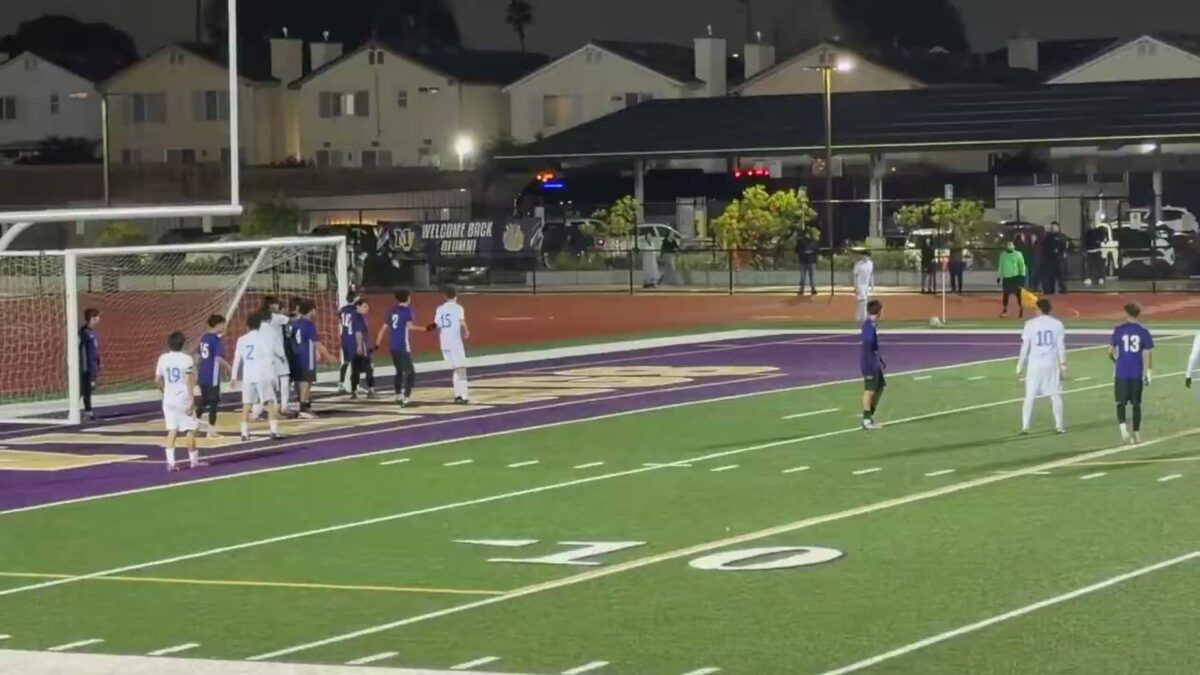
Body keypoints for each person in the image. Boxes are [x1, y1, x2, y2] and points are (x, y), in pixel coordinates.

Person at [230, 313, 284, 442]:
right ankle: (274, 431)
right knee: (270, 403)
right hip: (262, 374)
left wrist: (233, 376)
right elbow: (268, 359)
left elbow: (237, 359)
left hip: (248, 375)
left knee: (246, 405)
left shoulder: (242, 339)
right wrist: (273, 377)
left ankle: (244, 433)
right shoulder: (263, 339)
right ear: (259, 325)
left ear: (247, 326)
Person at [1016, 298, 1066, 434]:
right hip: (1051, 363)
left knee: (1030, 395)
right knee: (1055, 395)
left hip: (1034, 364)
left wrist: (1019, 365)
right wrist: (1063, 366)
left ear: (1038, 309)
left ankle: (1025, 426)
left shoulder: (1030, 324)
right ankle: (1059, 425)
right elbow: (1060, 347)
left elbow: (1025, 347)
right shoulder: (1057, 324)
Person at [155, 331, 202, 472]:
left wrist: (164, 391)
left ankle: (171, 462)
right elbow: (189, 380)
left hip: (169, 398)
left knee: (172, 430)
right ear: (183, 344)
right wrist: (192, 399)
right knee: (190, 429)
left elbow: (157, 380)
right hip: (183, 397)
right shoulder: (186, 359)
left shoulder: (163, 358)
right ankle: (194, 461)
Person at [1110, 303, 1153, 444]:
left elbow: (1111, 351)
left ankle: (1123, 430)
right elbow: (1147, 353)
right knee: (1136, 405)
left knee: (1120, 403)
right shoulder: (1143, 332)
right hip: (1136, 373)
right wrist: (1149, 372)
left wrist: (1115, 361)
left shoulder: (1119, 330)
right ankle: (1136, 432)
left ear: (1126, 313)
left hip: (1121, 372)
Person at [375, 289, 422, 406]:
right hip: (402, 345)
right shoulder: (407, 311)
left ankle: (398, 395)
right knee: (410, 372)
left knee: (399, 371)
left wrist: (377, 343)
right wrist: (426, 328)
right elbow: (410, 327)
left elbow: (383, 328)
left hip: (393, 345)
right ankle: (406, 398)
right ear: (408, 298)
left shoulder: (391, 311)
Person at [292, 299, 333, 418]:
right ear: (312, 310)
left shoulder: (295, 323)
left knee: (300, 382)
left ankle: (302, 405)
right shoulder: (308, 324)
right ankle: (304, 408)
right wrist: (327, 355)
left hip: (296, 356)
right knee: (306, 382)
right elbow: (316, 342)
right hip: (306, 356)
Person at [432, 286, 470, 404]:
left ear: (445, 296)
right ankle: (464, 396)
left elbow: (435, 325)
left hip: (444, 343)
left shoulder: (440, 309)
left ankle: (457, 395)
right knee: (461, 369)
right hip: (455, 342)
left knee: (455, 369)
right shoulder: (458, 308)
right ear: (456, 296)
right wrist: (467, 330)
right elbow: (462, 322)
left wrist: (425, 328)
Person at [195, 314, 228, 439]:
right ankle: (211, 430)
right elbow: (218, 358)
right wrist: (229, 367)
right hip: (212, 376)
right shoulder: (216, 340)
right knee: (213, 403)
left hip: (203, 373)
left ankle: (195, 425)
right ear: (218, 325)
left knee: (204, 400)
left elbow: (199, 356)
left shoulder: (204, 338)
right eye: (223, 324)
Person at [260, 296, 293, 416]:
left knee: (269, 381)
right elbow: (291, 320)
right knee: (284, 378)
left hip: (263, 353)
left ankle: (264, 407)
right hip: (277, 352)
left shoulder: (259, 318)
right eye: (277, 305)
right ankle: (284, 406)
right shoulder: (276, 317)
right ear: (271, 306)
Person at [860, 300, 886, 430]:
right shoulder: (868, 326)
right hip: (869, 364)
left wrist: (880, 359)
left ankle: (870, 414)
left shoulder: (871, 325)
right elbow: (868, 342)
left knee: (880, 385)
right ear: (879, 311)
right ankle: (866, 419)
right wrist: (871, 359)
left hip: (874, 362)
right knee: (869, 390)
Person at [349, 298, 375, 399]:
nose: (367, 308)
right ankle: (371, 390)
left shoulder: (353, 316)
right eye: (364, 306)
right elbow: (358, 333)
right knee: (368, 369)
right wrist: (360, 346)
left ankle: (354, 391)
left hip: (352, 346)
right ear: (358, 307)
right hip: (361, 347)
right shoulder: (358, 318)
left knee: (355, 370)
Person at [78, 308, 102, 421]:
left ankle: (87, 411)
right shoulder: (83, 332)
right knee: (84, 389)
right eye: (97, 316)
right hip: (85, 366)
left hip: (93, 365)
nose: (99, 319)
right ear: (92, 318)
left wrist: (99, 362)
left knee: (89, 389)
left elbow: (95, 350)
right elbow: (82, 350)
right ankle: (84, 411)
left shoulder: (94, 333)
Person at [998, 240, 1028, 318]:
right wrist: (999, 276)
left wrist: (1022, 276)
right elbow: (1000, 266)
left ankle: (1021, 310)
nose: (1009, 245)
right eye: (1008, 244)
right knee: (1005, 294)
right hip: (1006, 278)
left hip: (1016, 277)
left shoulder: (1018, 254)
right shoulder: (1003, 255)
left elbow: (1022, 266)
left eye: (1011, 244)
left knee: (1019, 294)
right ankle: (1005, 310)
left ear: (1014, 246)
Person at [337, 291, 358, 394]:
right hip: (352, 338)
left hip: (344, 337)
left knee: (346, 362)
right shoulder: (355, 311)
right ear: (355, 299)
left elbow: (340, 318)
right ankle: (354, 387)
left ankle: (341, 383)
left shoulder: (342, 310)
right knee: (355, 363)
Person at [1041, 222, 1068, 294]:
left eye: (1055, 227)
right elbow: (1044, 245)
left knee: (1060, 275)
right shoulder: (1048, 236)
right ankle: (1050, 290)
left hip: (1059, 259)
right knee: (1050, 276)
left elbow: (1065, 245)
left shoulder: (1061, 237)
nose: (1053, 229)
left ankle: (1063, 289)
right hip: (1049, 259)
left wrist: (1062, 252)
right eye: (1052, 227)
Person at [852, 249, 874, 322]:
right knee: (863, 300)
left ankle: (858, 316)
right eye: (863, 256)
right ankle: (864, 317)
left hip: (866, 285)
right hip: (860, 284)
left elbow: (871, 274)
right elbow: (855, 275)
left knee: (862, 301)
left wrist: (872, 285)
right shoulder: (858, 264)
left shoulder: (870, 263)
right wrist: (855, 287)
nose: (864, 257)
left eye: (866, 256)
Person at [796, 231, 818, 296]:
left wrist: (811, 252)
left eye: (808, 234)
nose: (807, 235)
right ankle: (801, 288)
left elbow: (817, 250)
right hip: (803, 261)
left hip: (811, 261)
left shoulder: (814, 241)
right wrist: (803, 251)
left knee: (812, 276)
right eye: (806, 234)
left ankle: (813, 288)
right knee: (803, 276)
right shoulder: (800, 241)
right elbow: (797, 250)